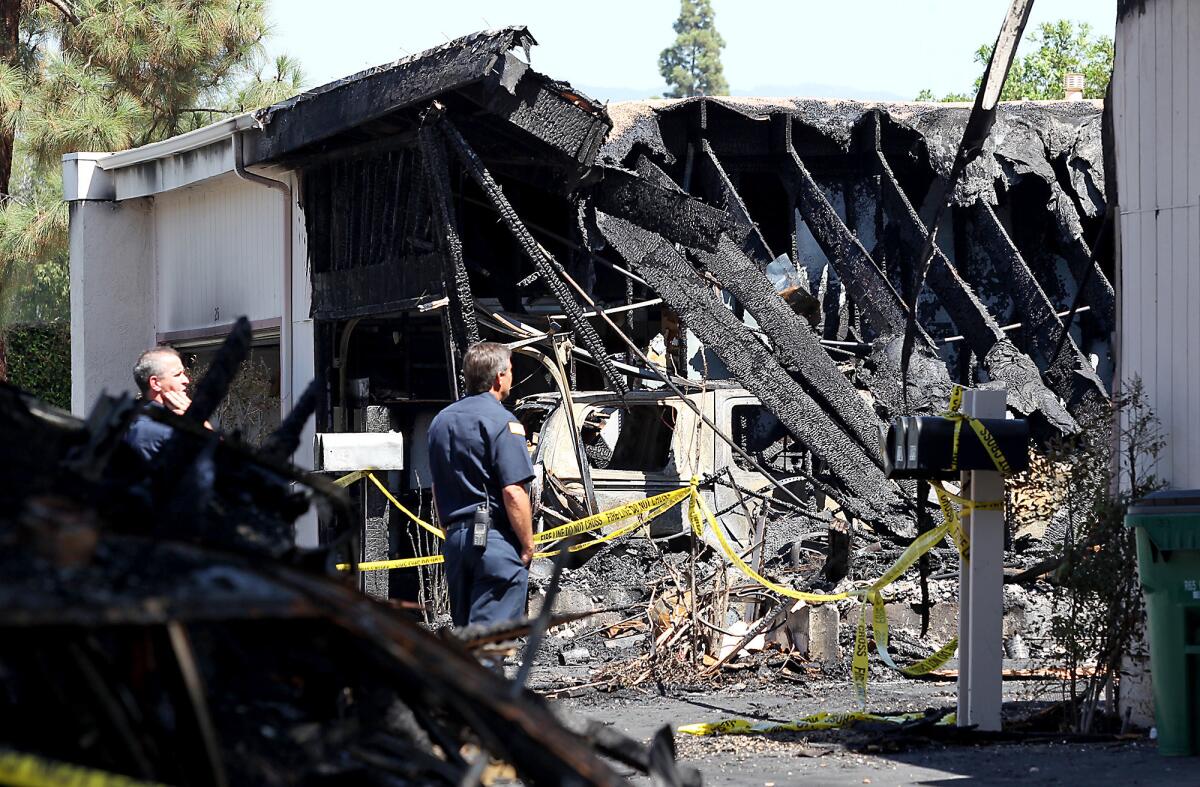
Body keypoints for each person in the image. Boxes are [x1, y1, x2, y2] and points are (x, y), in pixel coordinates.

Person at [427, 342, 536, 628]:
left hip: (456, 542)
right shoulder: (503, 422)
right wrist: (527, 545)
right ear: (499, 377)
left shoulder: (440, 422)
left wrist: (450, 532)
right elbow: (513, 491)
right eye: (510, 371)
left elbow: (438, 486)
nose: (512, 377)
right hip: (492, 541)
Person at [124, 346, 196, 463]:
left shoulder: (137, 419)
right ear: (155, 383)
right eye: (177, 374)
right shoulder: (154, 428)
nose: (186, 380)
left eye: (184, 373)